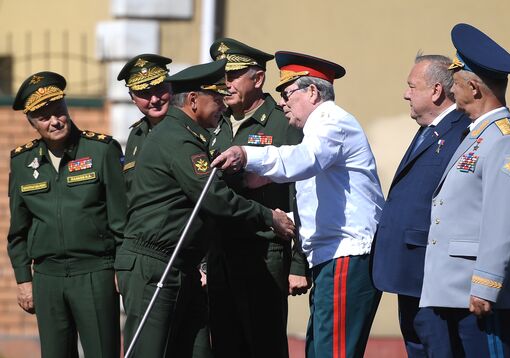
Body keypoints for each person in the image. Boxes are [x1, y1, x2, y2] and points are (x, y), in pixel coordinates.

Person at [115, 59, 295, 357]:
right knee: (150, 350)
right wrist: (269, 217)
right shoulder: (179, 139)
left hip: (181, 264)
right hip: (155, 263)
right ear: (194, 100)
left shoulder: (191, 136)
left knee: (198, 350)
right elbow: (214, 198)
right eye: (217, 98)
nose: (224, 106)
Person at [212, 51, 385, 358]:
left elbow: (303, 161)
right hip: (330, 254)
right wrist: (283, 217)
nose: (282, 103)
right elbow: (317, 197)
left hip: (346, 253)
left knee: (333, 351)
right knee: (319, 349)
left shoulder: (331, 121)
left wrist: (247, 155)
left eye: (288, 93)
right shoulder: (316, 130)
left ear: (313, 92)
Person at [419, 23, 510, 357]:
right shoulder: (477, 135)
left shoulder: (505, 141)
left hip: (479, 296)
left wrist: (486, 285)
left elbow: (503, 220)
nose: (451, 92)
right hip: (454, 291)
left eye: (455, 83)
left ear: (473, 86)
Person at [7, 71, 126, 358]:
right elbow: (18, 230)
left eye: (58, 111)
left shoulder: (101, 151)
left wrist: (121, 269)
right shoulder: (23, 162)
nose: (55, 121)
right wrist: (24, 279)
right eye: (44, 117)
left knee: (102, 352)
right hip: (48, 277)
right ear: (32, 123)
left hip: (95, 272)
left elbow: (121, 220)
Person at [207, 38, 310, 358]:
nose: (226, 84)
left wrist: (298, 262)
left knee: (263, 343)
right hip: (220, 252)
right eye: (223, 75)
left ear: (258, 79)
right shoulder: (215, 121)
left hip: (264, 251)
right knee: (225, 343)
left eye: (234, 75)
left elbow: (301, 192)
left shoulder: (283, 122)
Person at [371, 54, 470, 356]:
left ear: (436, 90)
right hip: (411, 271)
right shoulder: (429, 129)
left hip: (431, 274)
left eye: (412, 86)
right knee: (418, 347)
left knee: (438, 349)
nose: (406, 94)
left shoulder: (462, 130)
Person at [116, 53, 172, 196]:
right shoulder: (136, 134)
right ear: (132, 98)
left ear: (171, 85)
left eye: (159, 88)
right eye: (144, 93)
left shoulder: (189, 125)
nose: (154, 99)